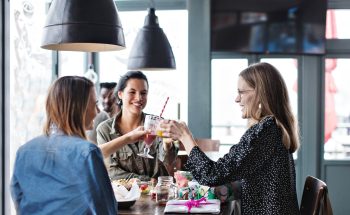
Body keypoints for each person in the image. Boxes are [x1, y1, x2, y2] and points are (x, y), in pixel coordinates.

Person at [160, 62, 300, 215]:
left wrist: (185, 136)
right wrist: (213, 191)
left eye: (241, 92)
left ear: (261, 93)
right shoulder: (272, 128)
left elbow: (211, 175)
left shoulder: (265, 131)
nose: (237, 99)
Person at [10, 76, 117, 215]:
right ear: (79, 107)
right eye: (94, 104)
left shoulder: (24, 151)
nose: (97, 111)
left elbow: (19, 200)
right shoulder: (88, 152)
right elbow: (106, 209)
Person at [96, 71, 178, 181]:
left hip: (158, 195)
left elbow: (168, 161)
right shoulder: (104, 130)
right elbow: (112, 172)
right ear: (120, 94)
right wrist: (148, 182)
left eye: (143, 93)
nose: (139, 98)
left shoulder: (157, 123)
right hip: (124, 196)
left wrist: (167, 144)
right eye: (132, 92)